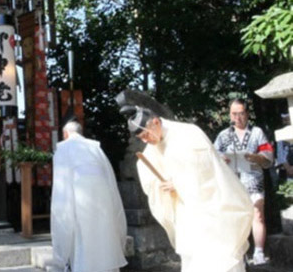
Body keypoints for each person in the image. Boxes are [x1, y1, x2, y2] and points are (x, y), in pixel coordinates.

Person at [116, 89, 253, 272]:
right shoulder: (153, 145)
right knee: (192, 259)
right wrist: (160, 184)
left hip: (210, 210)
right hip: (185, 213)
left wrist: (178, 183)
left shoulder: (188, 134)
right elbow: (151, 176)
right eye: (142, 139)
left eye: (147, 135)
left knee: (217, 260)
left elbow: (205, 171)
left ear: (156, 122)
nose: (147, 141)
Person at [50, 120, 127, 272]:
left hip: (79, 204)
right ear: (80, 133)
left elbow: (61, 192)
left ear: (65, 134)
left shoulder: (63, 149)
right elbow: (111, 182)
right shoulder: (96, 149)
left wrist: (60, 254)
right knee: (104, 242)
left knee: (82, 247)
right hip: (104, 204)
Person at [214, 98, 274, 266]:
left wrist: (256, 157)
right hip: (232, 180)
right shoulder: (223, 135)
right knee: (234, 217)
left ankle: (259, 251)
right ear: (229, 115)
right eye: (234, 114)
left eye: (241, 113)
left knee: (257, 214)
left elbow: (268, 157)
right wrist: (222, 159)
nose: (238, 117)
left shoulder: (257, 133)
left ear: (247, 114)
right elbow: (213, 155)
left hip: (253, 177)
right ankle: (239, 252)